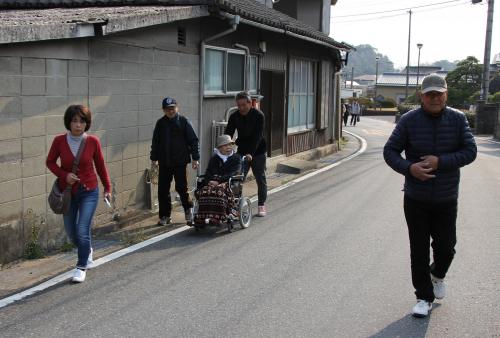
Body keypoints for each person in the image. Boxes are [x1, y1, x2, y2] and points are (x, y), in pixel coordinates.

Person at [383, 74, 477, 318]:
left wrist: (441, 162)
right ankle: (423, 296)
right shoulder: (409, 120)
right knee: (419, 249)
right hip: (416, 198)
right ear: (421, 96)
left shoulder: (457, 119)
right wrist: (409, 168)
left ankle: (437, 275)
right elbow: (390, 151)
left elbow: (470, 151)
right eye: (429, 94)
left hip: (446, 197)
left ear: (446, 94)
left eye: (439, 93)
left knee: (447, 248)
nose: (434, 98)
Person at [46, 105, 111, 283]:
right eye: (74, 121)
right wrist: (64, 175)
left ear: (86, 123)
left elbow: (100, 166)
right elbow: (50, 162)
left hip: (89, 191)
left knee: (82, 229)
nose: (78, 125)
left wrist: (107, 187)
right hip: (68, 193)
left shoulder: (92, 142)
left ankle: (81, 267)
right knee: (71, 232)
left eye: (82, 121)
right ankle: (86, 248)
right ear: (68, 122)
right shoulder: (59, 141)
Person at [150, 97, 200, 226]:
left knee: (182, 188)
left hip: (180, 162)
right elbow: (155, 142)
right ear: (163, 110)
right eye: (167, 109)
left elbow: (193, 140)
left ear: (177, 108)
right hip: (164, 162)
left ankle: (188, 210)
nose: (170, 111)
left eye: (172, 108)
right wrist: (154, 159)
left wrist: (195, 158)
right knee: (163, 190)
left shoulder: (183, 121)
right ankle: (165, 216)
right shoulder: (160, 123)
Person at [225, 91, 267, 217]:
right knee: (237, 179)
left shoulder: (259, 115)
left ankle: (261, 204)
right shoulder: (234, 116)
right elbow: (228, 133)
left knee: (260, 177)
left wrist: (251, 153)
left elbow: (257, 137)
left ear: (250, 103)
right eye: (239, 105)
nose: (241, 108)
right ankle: (237, 206)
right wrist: (225, 146)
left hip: (258, 150)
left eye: (244, 105)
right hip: (242, 150)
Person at [194, 135, 242, 225]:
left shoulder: (236, 158)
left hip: (229, 182)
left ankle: (218, 217)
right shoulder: (214, 159)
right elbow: (208, 172)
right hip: (213, 182)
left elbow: (234, 173)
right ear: (219, 148)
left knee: (219, 191)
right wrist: (209, 181)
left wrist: (218, 181)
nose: (228, 147)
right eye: (225, 145)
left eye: (229, 144)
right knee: (204, 190)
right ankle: (203, 216)